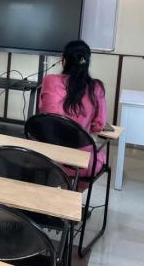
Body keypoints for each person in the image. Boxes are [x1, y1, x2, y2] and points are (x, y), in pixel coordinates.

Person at [39, 40, 108, 178]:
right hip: (79, 164)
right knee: (100, 158)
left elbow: (43, 113)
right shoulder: (96, 88)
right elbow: (99, 125)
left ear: (64, 61)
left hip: (46, 157)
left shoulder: (49, 80)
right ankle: (72, 188)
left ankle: (58, 184)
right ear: (86, 62)